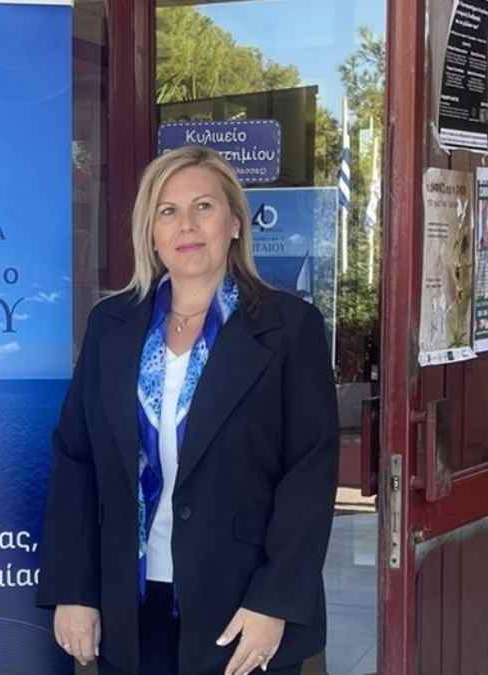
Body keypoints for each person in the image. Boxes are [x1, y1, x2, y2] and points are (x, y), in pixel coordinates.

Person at [37, 145, 337, 675]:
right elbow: (76, 460)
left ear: (236, 223)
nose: (187, 226)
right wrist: (74, 590)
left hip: (242, 607)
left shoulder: (290, 328)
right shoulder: (113, 326)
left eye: (204, 206)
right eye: (167, 211)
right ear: (150, 231)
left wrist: (275, 601)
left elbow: (308, 476)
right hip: (130, 602)